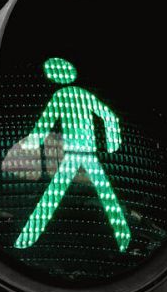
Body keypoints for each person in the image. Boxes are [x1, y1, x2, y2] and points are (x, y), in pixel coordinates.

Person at [13, 57, 132, 253]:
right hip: (88, 152)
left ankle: (27, 237)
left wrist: (32, 143)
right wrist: (113, 143)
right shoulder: (85, 95)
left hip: (74, 153)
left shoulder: (61, 95)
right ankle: (124, 237)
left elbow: (45, 123)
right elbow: (109, 116)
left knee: (53, 195)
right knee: (106, 196)